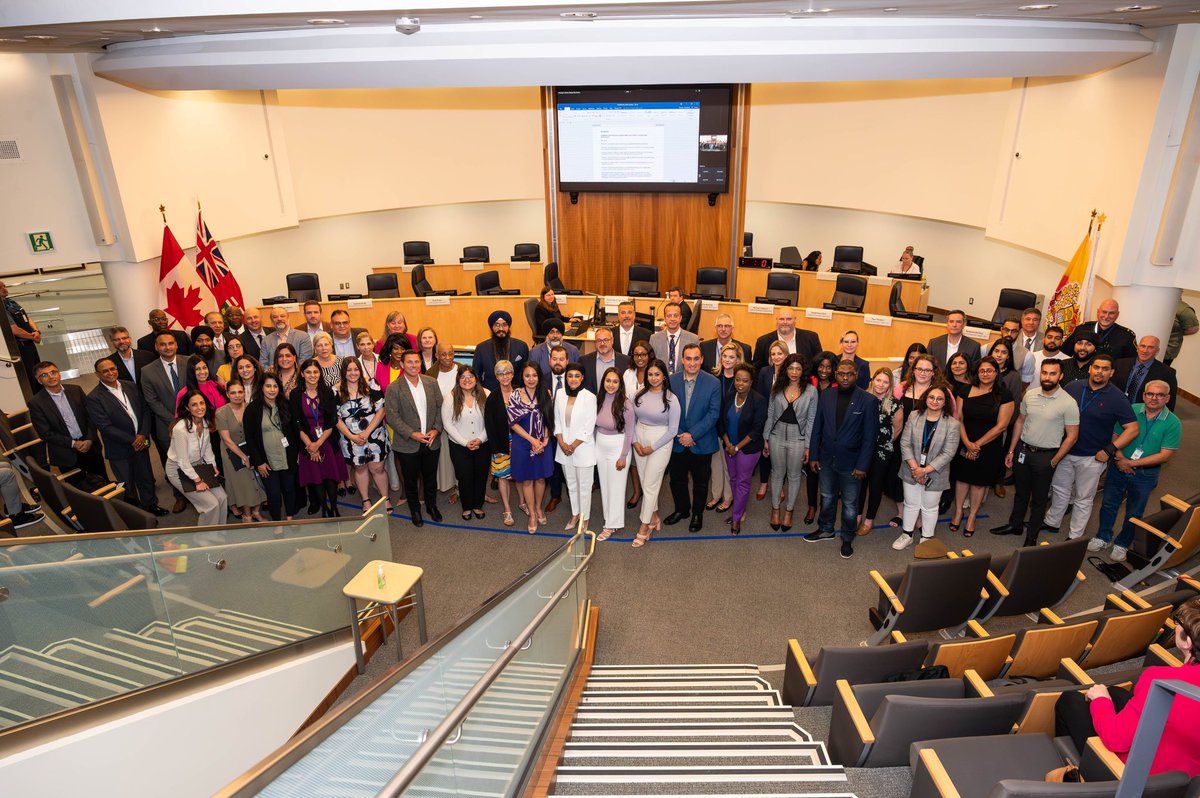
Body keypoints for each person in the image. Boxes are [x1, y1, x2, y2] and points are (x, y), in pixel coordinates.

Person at [1054, 597, 1200, 778]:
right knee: (1116, 693)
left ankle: (1080, 776)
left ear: (1188, 643)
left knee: (1070, 701)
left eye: (1178, 622)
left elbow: (1115, 740)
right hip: (1184, 778)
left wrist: (1101, 701)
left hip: (1129, 777)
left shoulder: (1160, 680)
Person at [1041, 354, 1139, 541]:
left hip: (1093, 457)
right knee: (1060, 489)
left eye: (1104, 369)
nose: (1099, 372)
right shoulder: (1073, 387)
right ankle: (1052, 522)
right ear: (1090, 368)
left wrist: (1110, 450)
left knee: (1083, 498)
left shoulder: (1117, 397)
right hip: (1065, 451)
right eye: (1096, 367)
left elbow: (1133, 429)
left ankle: (1075, 535)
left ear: (1111, 373)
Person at [1090, 379, 1180, 562]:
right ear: (1144, 395)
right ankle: (1103, 537)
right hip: (1118, 465)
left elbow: (1165, 455)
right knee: (1108, 504)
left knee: (1135, 511)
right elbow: (1116, 435)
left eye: (1159, 395)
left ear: (1167, 398)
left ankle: (1122, 543)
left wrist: (1131, 464)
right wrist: (1120, 457)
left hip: (1146, 474)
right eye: (1150, 394)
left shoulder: (1173, 422)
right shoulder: (1131, 408)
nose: (1154, 398)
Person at [992, 360, 1080, 544]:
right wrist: (1011, 451)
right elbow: (1019, 422)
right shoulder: (1030, 395)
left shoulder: (1069, 403)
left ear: (1061, 376)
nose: (1047, 377)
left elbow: (1072, 436)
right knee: (1021, 493)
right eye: (1045, 373)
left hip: (1046, 456)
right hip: (1023, 451)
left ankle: (1032, 536)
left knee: (1039, 499)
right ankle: (1015, 525)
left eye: (1052, 373)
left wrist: (1055, 460)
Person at [803, 360, 879, 559]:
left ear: (857, 375)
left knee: (850, 504)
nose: (845, 378)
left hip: (853, 465)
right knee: (826, 497)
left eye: (850, 374)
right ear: (835, 374)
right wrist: (814, 455)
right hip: (826, 459)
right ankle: (826, 529)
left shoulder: (868, 401)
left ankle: (847, 538)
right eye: (841, 374)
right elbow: (817, 428)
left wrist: (863, 465)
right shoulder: (826, 396)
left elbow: (870, 438)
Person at [86, 356, 166, 515]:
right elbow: (105, 426)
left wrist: (142, 434)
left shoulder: (130, 386)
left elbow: (144, 410)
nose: (110, 373)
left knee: (146, 477)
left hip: (141, 442)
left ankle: (151, 505)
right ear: (97, 375)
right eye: (105, 371)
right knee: (127, 483)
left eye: (112, 369)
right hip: (119, 448)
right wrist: (133, 440)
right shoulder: (94, 398)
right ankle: (135, 514)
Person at [950, 357, 1014, 537]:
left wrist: (976, 445)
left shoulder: (1004, 395)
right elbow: (958, 418)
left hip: (988, 446)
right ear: (976, 373)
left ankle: (971, 516)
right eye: (982, 370)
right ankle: (958, 512)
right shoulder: (965, 389)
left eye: (989, 370)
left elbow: (1002, 426)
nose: (985, 374)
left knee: (978, 482)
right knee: (962, 479)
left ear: (996, 373)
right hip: (964, 440)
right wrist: (968, 443)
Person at [893, 385, 959, 549]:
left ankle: (927, 538)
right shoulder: (915, 416)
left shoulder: (952, 424)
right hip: (911, 468)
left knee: (930, 506)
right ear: (926, 399)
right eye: (931, 397)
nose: (935, 401)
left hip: (936, 473)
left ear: (945, 402)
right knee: (910, 503)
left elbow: (948, 453)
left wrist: (924, 470)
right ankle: (907, 534)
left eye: (939, 399)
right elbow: (905, 443)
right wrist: (916, 468)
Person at [664, 344, 721, 533]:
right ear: (682, 359)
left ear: (702, 360)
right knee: (677, 480)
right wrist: (681, 434)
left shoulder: (713, 382)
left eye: (696, 358)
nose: (692, 363)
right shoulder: (671, 381)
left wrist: (692, 435)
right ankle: (682, 510)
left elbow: (713, 415)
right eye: (688, 358)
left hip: (701, 442)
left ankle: (697, 514)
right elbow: (667, 410)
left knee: (701, 482)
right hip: (677, 440)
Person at [386, 350, 444, 527]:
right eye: (409, 362)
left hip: (431, 441)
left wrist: (436, 429)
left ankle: (431, 506)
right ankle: (415, 510)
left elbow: (441, 408)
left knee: (430, 478)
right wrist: (412, 433)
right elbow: (392, 416)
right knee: (410, 480)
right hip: (407, 443)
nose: (414, 365)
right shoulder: (394, 388)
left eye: (417, 362)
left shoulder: (431, 383)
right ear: (402, 365)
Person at [28, 360, 108, 485]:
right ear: (39, 380)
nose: (50, 376)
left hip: (90, 445)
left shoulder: (76, 390)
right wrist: (74, 444)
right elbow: (45, 433)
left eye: (53, 372)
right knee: (79, 492)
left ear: (59, 374)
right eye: (44, 375)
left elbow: (91, 416)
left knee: (104, 483)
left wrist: (89, 439)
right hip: (66, 452)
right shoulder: (36, 403)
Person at [764, 353, 817, 532]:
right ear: (785, 369)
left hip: (798, 439)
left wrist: (808, 445)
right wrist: (766, 438)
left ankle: (789, 511)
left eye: (798, 369)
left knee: (794, 476)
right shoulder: (777, 388)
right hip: (776, 436)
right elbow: (770, 413)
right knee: (777, 474)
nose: (794, 372)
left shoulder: (811, 391)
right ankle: (775, 509)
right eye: (791, 368)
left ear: (803, 371)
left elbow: (811, 420)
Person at [292, 358, 350, 517]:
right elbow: (296, 423)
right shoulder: (296, 394)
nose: (312, 375)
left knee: (330, 477)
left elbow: (332, 420)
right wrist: (310, 446)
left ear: (320, 373)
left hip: (326, 439)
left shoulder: (327, 392)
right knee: (316, 478)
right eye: (308, 372)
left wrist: (318, 443)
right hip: (307, 442)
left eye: (315, 372)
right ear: (302, 374)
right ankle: (324, 508)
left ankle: (334, 507)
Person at [631, 359, 679, 547]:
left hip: (660, 441)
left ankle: (645, 526)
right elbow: (631, 421)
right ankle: (654, 516)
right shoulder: (638, 395)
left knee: (650, 484)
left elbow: (673, 430)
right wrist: (635, 442)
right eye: (650, 374)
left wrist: (653, 447)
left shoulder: (671, 399)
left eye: (657, 374)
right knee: (645, 482)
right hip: (639, 438)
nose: (653, 378)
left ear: (664, 376)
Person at [335, 356, 393, 513]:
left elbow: (382, 409)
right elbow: (335, 418)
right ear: (343, 372)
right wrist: (352, 436)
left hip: (375, 435)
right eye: (349, 370)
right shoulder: (336, 390)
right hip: (351, 439)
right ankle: (365, 500)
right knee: (360, 468)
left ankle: (385, 498)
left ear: (360, 370)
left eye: (356, 369)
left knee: (377, 468)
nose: (353, 373)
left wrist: (367, 432)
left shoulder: (371, 385)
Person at [140, 330, 189, 512]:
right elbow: (152, 400)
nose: (167, 347)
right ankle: (180, 496)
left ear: (176, 344)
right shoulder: (147, 371)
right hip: (166, 425)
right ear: (156, 347)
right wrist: (175, 420)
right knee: (174, 462)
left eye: (170, 343)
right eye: (162, 344)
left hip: (195, 421)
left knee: (195, 459)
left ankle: (198, 493)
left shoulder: (189, 361)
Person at [165, 390, 228, 526]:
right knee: (211, 505)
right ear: (187, 408)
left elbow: (207, 447)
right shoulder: (180, 429)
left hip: (198, 465)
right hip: (178, 470)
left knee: (222, 498)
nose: (200, 407)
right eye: (194, 405)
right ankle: (206, 540)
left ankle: (220, 532)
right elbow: (183, 462)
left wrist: (213, 465)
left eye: (202, 403)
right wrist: (198, 481)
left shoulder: (204, 422)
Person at [243, 373, 301, 521]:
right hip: (266, 461)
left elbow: (294, 431)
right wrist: (258, 462)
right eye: (268, 386)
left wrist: (297, 454)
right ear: (261, 387)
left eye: (275, 386)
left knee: (289, 489)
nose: (272, 389)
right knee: (273, 493)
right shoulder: (252, 409)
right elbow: (250, 438)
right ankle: (276, 521)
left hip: (287, 456)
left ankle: (289, 517)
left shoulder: (286, 405)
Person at [718, 363, 766, 535]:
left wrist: (737, 447)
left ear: (751, 382)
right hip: (729, 446)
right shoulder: (729, 397)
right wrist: (728, 443)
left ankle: (737, 517)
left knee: (743, 482)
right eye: (738, 379)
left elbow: (756, 430)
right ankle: (740, 509)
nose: (740, 383)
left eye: (745, 381)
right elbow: (721, 422)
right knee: (733, 479)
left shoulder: (759, 401)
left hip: (748, 449)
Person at [509, 363, 555, 534]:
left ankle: (539, 508)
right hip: (522, 442)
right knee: (527, 479)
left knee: (541, 479)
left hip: (543, 441)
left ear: (539, 377)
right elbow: (512, 423)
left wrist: (544, 439)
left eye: (534, 375)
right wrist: (531, 440)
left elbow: (550, 419)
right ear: (522, 377)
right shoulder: (515, 395)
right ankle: (532, 515)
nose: (531, 379)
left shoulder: (546, 393)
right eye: (527, 375)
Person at [858, 368, 904, 536]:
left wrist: (882, 446)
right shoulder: (861, 398)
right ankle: (857, 516)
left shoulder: (895, 404)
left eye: (885, 382)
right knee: (860, 485)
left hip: (882, 452)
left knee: (875, 486)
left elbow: (897, 430)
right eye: (878, 380)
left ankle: (869, 520)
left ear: (889, 385)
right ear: (873, 380)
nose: (881, 384)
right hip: (861, 449)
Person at [443, 365, 491, 521]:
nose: (467, 380)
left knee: (481, 475)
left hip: (483, 444)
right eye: (463, 377)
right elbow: (447, 424)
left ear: (476, 379)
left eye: (470, 376)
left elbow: (491, 422)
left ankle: (477, 505)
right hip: (459, 446)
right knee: (464, 477)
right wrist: (465, 442)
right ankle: (466, 506)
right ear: (458, 380)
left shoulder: (486, 394)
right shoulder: (450, 397)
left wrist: (480, 439)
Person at [214, 381, 267, 522]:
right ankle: (247, 515)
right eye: (233, 392)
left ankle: (256, 511)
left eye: (240, 392)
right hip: (232, 452)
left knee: (258, 482)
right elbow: (227, 440)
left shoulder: (251, 408)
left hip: (250, 448)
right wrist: (244, 457)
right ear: (227, 394)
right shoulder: (221, 412)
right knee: (243, 484)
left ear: (245, 393)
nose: (237, 396)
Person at [554, 363, 597, 531]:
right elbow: (557, 420)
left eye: (576, 376)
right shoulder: (559, 394)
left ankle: (584, 518)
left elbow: (589, 426)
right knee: (571, 484)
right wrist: (562, 442)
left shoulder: (589, 397)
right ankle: (575, 513)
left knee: (585, 486)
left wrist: (572, 445)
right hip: (563, 447)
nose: (572, 379)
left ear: (582, 378)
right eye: (569, 376)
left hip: (582, 448)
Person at [595, 367, 634, 541]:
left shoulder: (626, 404)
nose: (611, 385)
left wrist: (623, 456)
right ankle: (608, 518)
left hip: (618, 448)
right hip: (600, 446)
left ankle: (612, 524)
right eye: (608, 381)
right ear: (603, 382)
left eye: (615, 381)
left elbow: (630, 433)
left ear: (620, 384)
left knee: (617, 488)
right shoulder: (599, 400)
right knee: (605, 485)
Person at [484, 360, 518, 526]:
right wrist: (495, 448)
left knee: (520, 476)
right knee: (503, 477)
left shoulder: (520, 393)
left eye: (507, 373)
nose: (504, 377)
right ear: (496, 376)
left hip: (520, 443)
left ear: (512, 374)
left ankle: (523, 503)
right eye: (500, 373)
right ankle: (507, 510)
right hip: (501, 444)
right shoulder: (493, 397)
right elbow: (489, 425)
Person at [754, 339, 789, 502]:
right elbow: (760, 396)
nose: (776, 357)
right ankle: (763, 483)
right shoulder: (764, 372)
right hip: (767, 418)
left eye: (779, 353)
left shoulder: (791, 373)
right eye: (773, 354)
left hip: (785, 421)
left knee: (781, 455)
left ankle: (780, 485)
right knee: (765, 452)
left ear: (786, 354)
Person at [1113, 335, 1178, 411]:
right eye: (1142, 346)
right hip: (1117, 409)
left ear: (1157, 351)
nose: (1145, 350)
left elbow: (1170, 402)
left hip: (1144, 414)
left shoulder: (1167, 373)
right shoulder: (1120, 364)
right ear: (1137, 348)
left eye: (1150, 347)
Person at [1063, 299, 1137, 362]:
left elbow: (1130, 363)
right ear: (1098, 312)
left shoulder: (1126, 336)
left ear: (1117, 315)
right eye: (1104, 312)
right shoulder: (1082, 329)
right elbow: (1065, 353)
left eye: (1111, 313)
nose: (1106, 316)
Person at [474, 310, 530, 393]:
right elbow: (476, 375)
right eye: (497, 325)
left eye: (504, 325)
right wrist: (483, 393)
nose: (501, 329)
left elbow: (526, 372)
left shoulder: (521, 346)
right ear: (491, 327)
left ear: (508, 326)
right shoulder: (481, 348)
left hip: (516, 393)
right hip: (490, 392)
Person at [1, 280, 42, 390]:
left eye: (4, 286)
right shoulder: (1, 308)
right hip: (21, 347)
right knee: (30, 378)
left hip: (30, 343)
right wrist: (33, 337)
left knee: (38, 371)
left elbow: (27, 317)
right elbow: (14, 330)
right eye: (0, 288)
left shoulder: (10, 302)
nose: (4, 289)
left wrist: (36, 331)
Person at [752, 307, 822, 369]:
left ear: (795, 320)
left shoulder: (811, 338)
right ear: (776, 320)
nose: (785, 322)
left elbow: (818, 365)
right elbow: (756, 369)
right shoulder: (763, 341)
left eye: (789, 319)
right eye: (781, 319)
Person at [650, 302, 700, 375]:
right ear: (664, 318)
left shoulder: (693, 339)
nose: (672, 319)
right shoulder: (654, 339)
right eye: (669, 316)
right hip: (661, 382)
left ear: (680, 318)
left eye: (676, 316)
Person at [580, 326, 630, 395]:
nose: (602, 343)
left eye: (606, 340)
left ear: (612, 341)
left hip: (617, 404)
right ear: (595, 342)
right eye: (599, 340)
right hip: (592, 404)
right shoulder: (584, 361)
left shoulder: (626, 361)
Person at [987, 316, 1036, 386]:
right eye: (1006, 330)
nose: (1009, 334)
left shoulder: (1027, 355)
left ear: (1019, 332)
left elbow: (1025, 383)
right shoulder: (985, 348)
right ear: (1001, 329)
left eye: (1014, 331)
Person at [1166, 298, 1198, 365]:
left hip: (1166, 352)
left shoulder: (1183, 310)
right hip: (1142, 348)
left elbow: (1193, 329)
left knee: (1157, 374)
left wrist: (1175, 333)